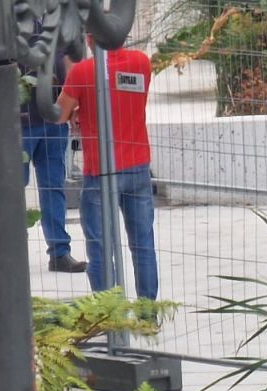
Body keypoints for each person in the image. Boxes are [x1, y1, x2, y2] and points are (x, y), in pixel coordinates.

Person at [54, 39, 158, 299]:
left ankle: (109, 315)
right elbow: (121, 98)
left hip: (100, 171)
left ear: (89, 38)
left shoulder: (83, 71)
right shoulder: (141, 62)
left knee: (100, 248)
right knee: (143, 244)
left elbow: (58, 114)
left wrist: (78, 108)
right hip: (138, 166)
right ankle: (147, 314)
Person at [22, 35, 86, 273]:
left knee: (54, 186)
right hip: (18, 120)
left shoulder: (55, 14)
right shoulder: (9, 14)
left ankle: (60, 253)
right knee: (12, 190)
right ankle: (10, 252)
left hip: (54, 118)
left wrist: (72, 101)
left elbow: (70, 56)